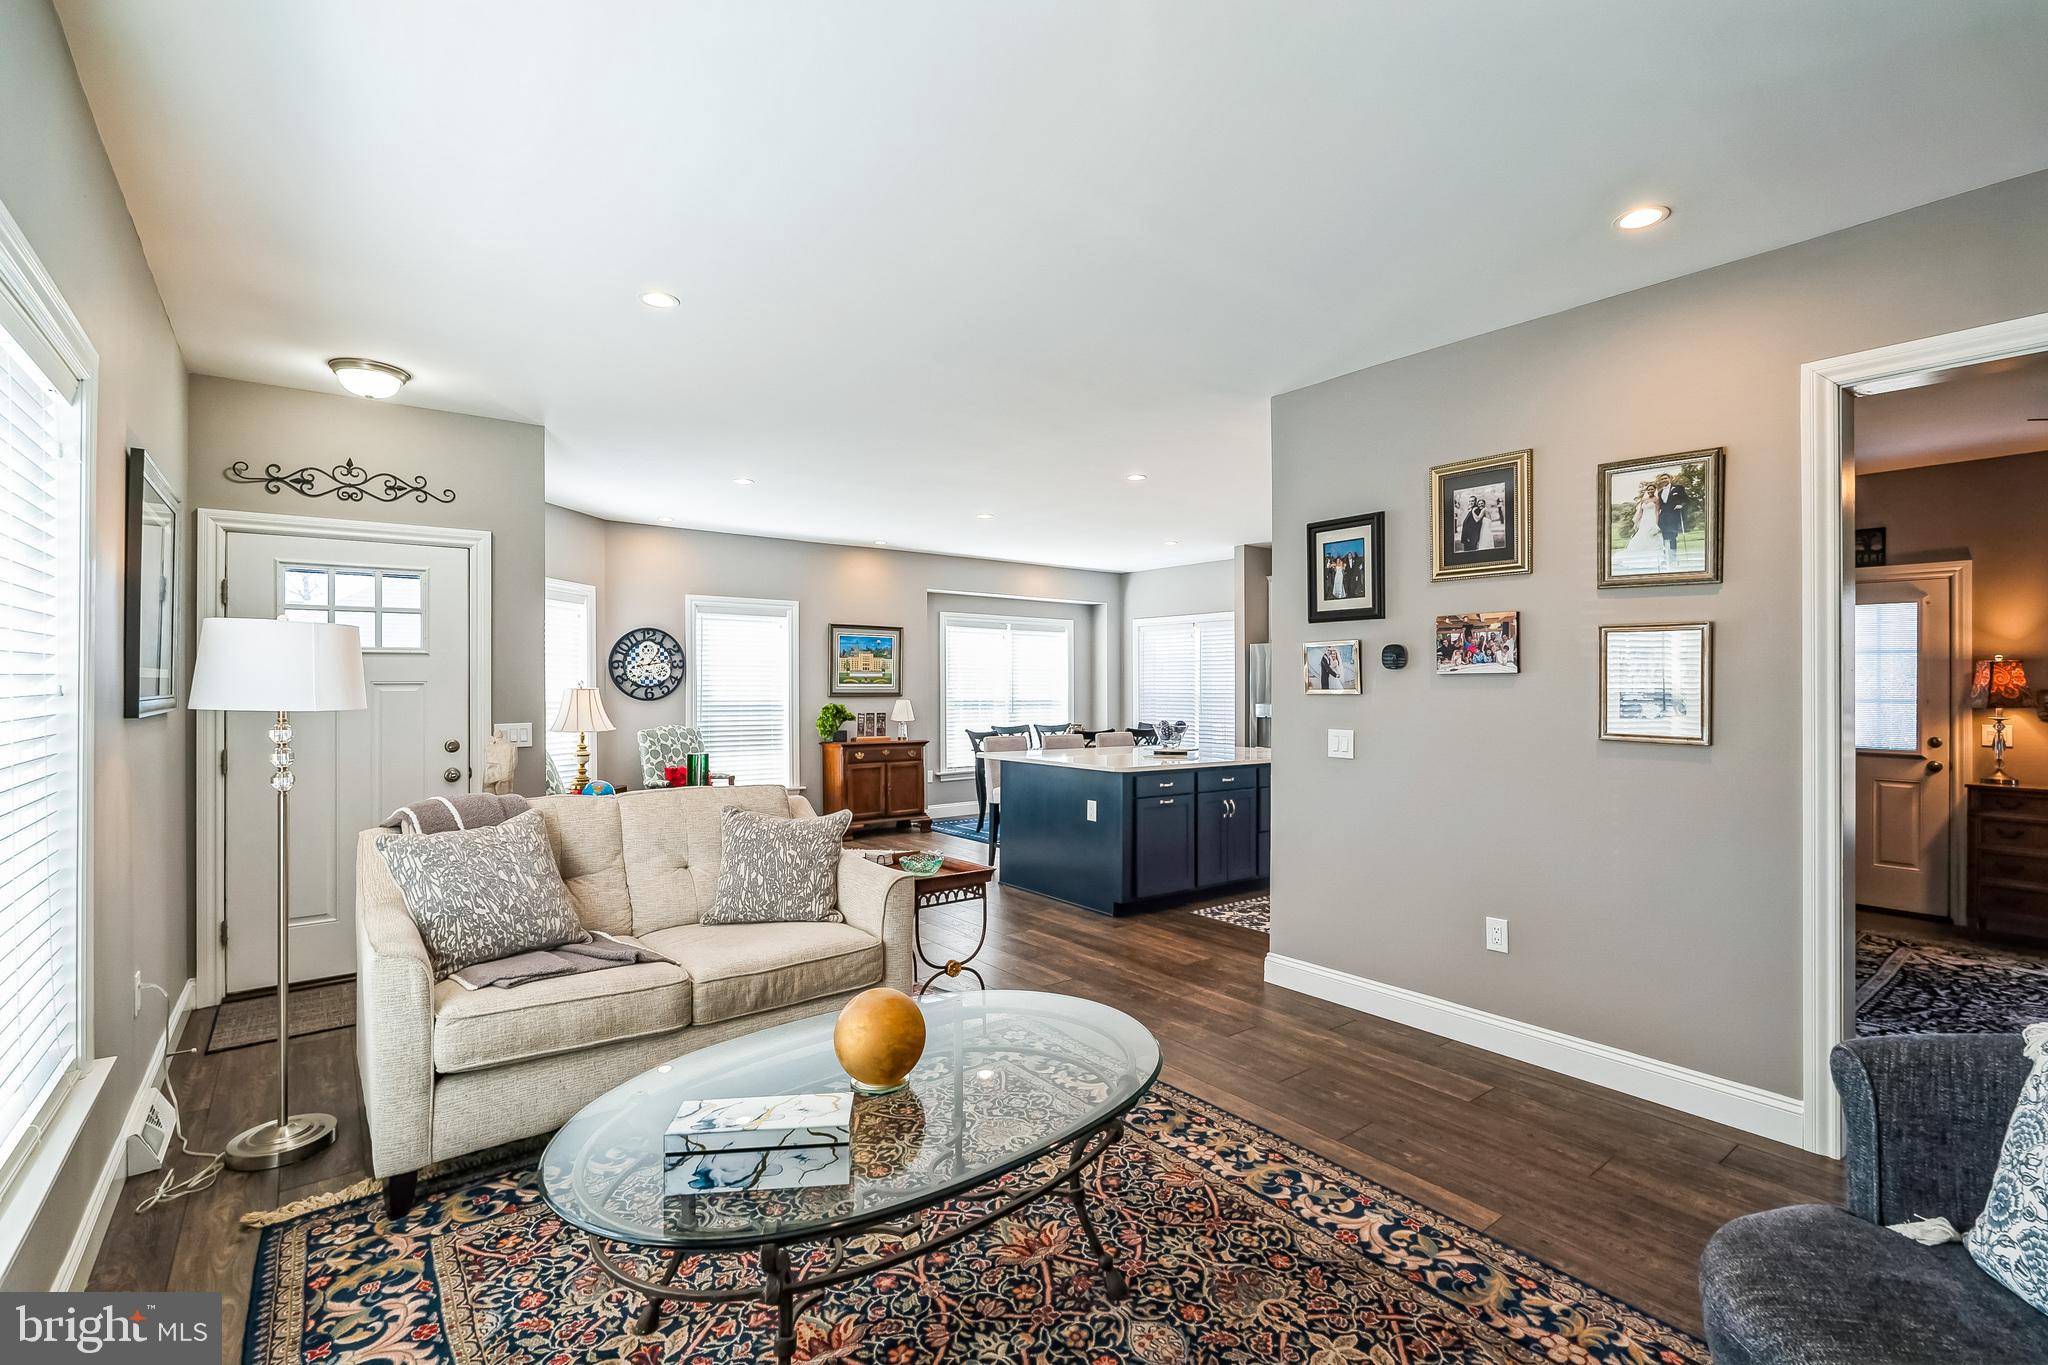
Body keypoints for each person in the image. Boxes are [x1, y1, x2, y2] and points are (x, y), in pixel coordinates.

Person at [1614, 483, 1665, 573]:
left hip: (1651, 521)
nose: (1650, 491)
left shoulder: (1656, 499)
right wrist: (1636, 522)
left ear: (1655, 490)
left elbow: (1657, 512)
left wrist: (1656, 524)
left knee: (1651, 538)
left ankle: (1652, 559)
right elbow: (1640, 512)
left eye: (1652, 489)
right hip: (1644, 521)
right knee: (1639, 537)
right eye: (1648, 489)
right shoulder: (1643, 500)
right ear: (1647, 491)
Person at [1657, 471, 1692, 570]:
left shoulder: (1678, 488)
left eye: (1665, 478)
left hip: (1673, 516)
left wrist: (1681, 505)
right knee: (1664, 539)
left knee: (1672, 537)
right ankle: (1666, 558)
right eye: (1662, 479)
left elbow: (1686, 500)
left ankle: (1673, 559)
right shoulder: (1659, 492)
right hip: (1663, 517)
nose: (1664, 480)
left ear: (1670, 479)